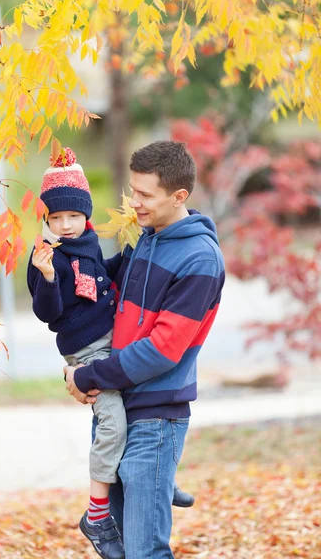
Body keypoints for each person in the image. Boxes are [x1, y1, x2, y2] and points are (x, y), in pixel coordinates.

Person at [27, 145, 194, 559]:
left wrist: (135, 251)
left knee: (119, 425)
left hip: (107, 348)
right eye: (55, 218)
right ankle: (97, 513)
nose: (65, 225)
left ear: (85, 215)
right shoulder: (49, 257)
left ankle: (156, 479)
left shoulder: (86, 244)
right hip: (86, 353)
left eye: (73, 216)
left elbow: (104, 274)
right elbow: (49, 314)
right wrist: (46, 276)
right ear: (46, 219)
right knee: (114, 426)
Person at [64, 140, 226, 559]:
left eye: (145, 195)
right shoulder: (145, 240)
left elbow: (162, 351)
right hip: (116, 406)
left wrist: (88, 377)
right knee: (120, 547)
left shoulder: (199, 259)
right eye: (132, 190)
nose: (134, 202)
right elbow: (102, 299)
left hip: (155, 418)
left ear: (179, 196)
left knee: (143, 552)